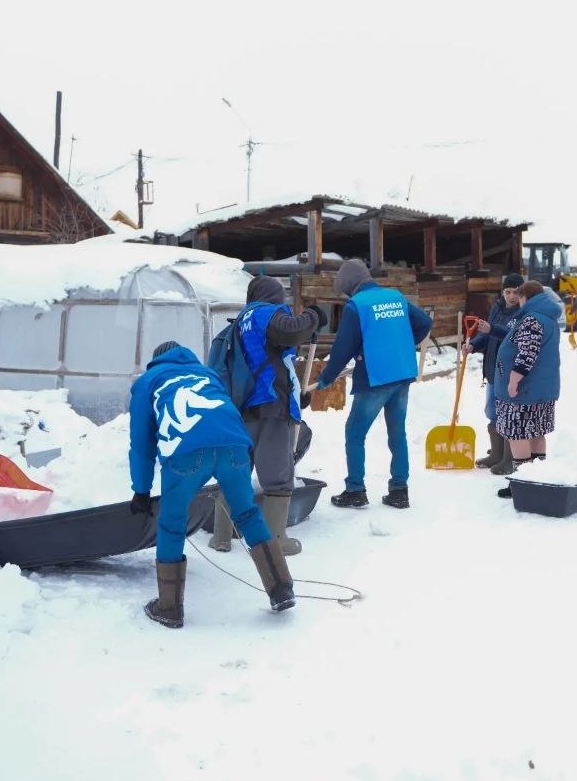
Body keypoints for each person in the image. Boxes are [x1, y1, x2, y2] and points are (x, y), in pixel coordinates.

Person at [129, 341, 294, 628]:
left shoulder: (148, 381)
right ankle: (281, 588)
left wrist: (141, 490)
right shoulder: (207, 375)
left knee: (172, 521)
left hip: (186, 450)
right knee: (246, 513)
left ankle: (169, 608)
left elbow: (141, 443)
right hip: (234, 445)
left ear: (156, 360)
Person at [208, 275, 324, 556]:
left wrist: (297, 394)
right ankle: (275, 540)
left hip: (244, 408)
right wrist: (314, 315)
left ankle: (222, 535)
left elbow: (270, 360)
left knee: (236, 471)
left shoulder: (240, 322)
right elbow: (291, 330)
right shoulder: (264, 312)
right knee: (278, 474)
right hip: (271, 408)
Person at [315, 259, 432, 509]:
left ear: (350, 284)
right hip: (401, 374)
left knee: (355, 433)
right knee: (397, 432)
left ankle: (355, 489)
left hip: (376, 378)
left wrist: (326, 376)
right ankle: (400, 490)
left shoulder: (357, 305)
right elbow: (424, 323)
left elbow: (343, 347)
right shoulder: (395, 297)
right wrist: (401, 343)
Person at [489, 280, 563, 498]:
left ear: (525, 297)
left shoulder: (532, 319)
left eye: (519, 297)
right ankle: (538, 480)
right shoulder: (548, 317)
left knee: (517, 434)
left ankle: (522, 485)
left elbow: (527, 353)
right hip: (542, 388)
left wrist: (513, 381)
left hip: (524, 391)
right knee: (537, 433)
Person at [464, 273, 523, 474]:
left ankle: (508, 456)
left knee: (506, 414)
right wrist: (473, 344)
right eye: (508, 292)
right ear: (502, 292)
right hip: (491, 370)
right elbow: (487, 335)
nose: (512, 296)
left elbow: (512, 337)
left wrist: (491, 328)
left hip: (507, 372)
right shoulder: (497, 308)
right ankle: (496, 454)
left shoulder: (523, 313)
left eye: (516, 292)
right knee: (492, 412)